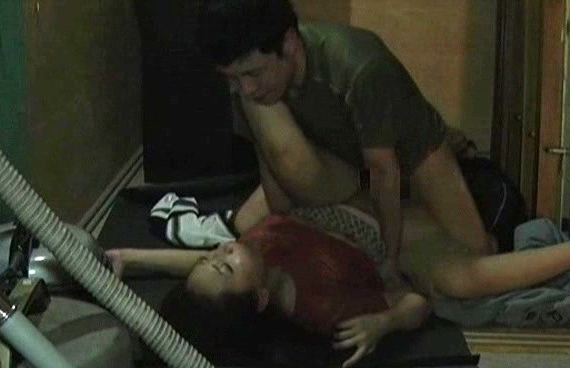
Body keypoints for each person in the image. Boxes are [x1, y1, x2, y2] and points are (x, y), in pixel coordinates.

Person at [194, 0, 492, 280]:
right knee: (249, 226)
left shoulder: (361, 67)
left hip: (411, 156)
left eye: (253, 73)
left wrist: (388, 259)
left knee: (474, 254)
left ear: (289, 43)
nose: (245, 89)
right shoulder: (250, 85)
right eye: (232, 78)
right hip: (349, 163)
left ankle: (454, 153)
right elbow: (270, 166)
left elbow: (384, 174)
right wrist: (287, 226)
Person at [108, 200, 432, 368]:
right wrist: (386, 322)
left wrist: (130, 257)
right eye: (225, 266)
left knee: (250, 215)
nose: (221, 250)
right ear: (261, 298)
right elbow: (417, 300)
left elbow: (203, 262)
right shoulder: (321, 305)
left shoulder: (251, 255)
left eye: (211, 257)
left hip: (310, 196)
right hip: (364, 207)